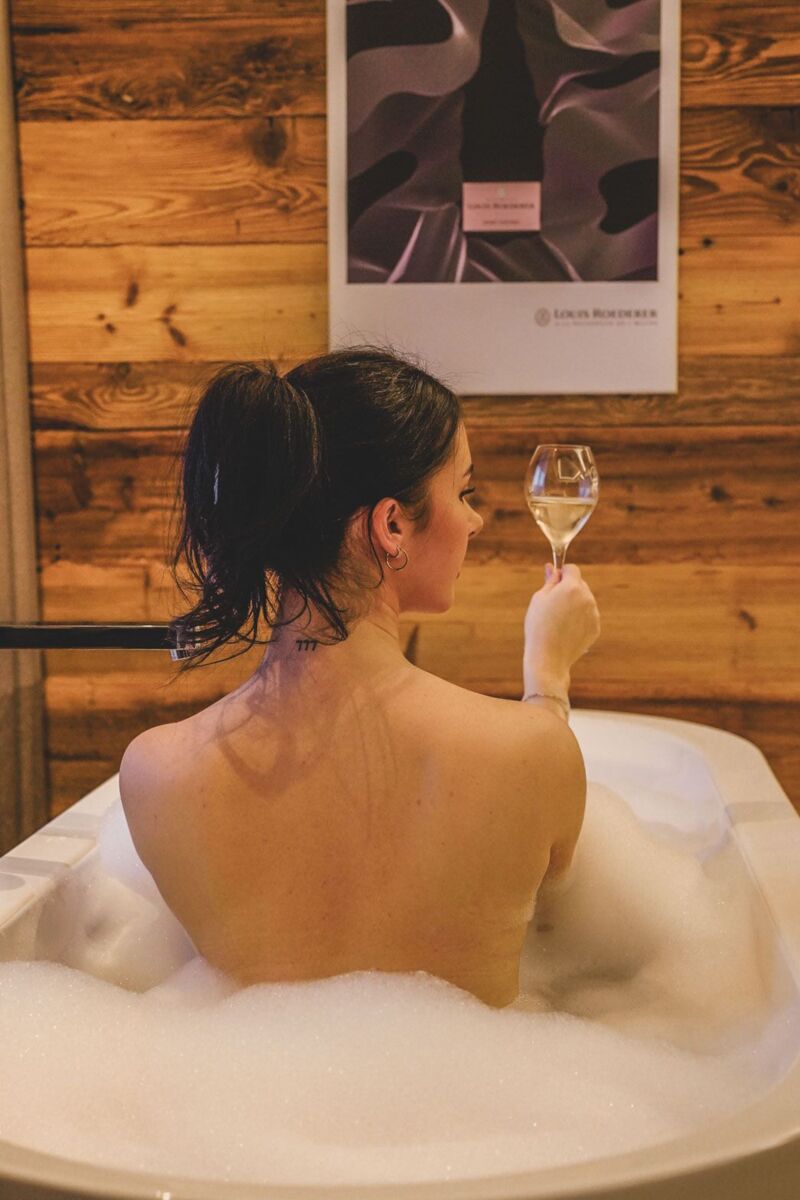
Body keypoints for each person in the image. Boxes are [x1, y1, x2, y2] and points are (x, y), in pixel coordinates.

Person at [119, 346, 600, 1008]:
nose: (475, 520)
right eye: (463, 492)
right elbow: (557, 909)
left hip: (241, 1075)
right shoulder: (532, 751)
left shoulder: (156, 775)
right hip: (479, 1077)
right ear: (391, 525)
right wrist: (547, 677)